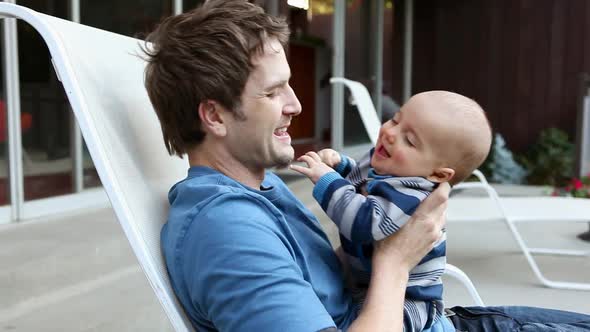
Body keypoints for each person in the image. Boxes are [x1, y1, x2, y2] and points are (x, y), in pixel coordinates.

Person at [143, 1, 590, 331]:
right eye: (272, 92)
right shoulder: (227, 230)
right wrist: (397, 259)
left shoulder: (260, 188)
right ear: (215, 115)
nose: (296, 105)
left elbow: (332, 277)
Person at [290, 91, 492, 331]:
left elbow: (364, 222)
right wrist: (341, 166)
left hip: (412, 299)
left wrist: (329, 181)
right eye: (395, 120)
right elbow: (364, 179)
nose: (390, 133)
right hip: (365, 282)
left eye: (410, 140)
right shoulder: (392, 163)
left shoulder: (412, 194)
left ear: (437, 175)